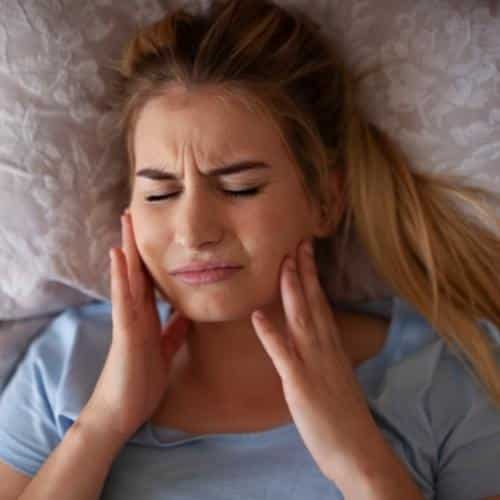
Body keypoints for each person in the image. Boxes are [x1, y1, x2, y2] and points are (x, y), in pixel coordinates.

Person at [1, 0, 500, 499]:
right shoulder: (65, 368)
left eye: (240, 188)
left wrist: (362, 463)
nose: (193, 232)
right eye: (160, 193)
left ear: (326, 200)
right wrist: (103, 423)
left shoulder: (445, 379)